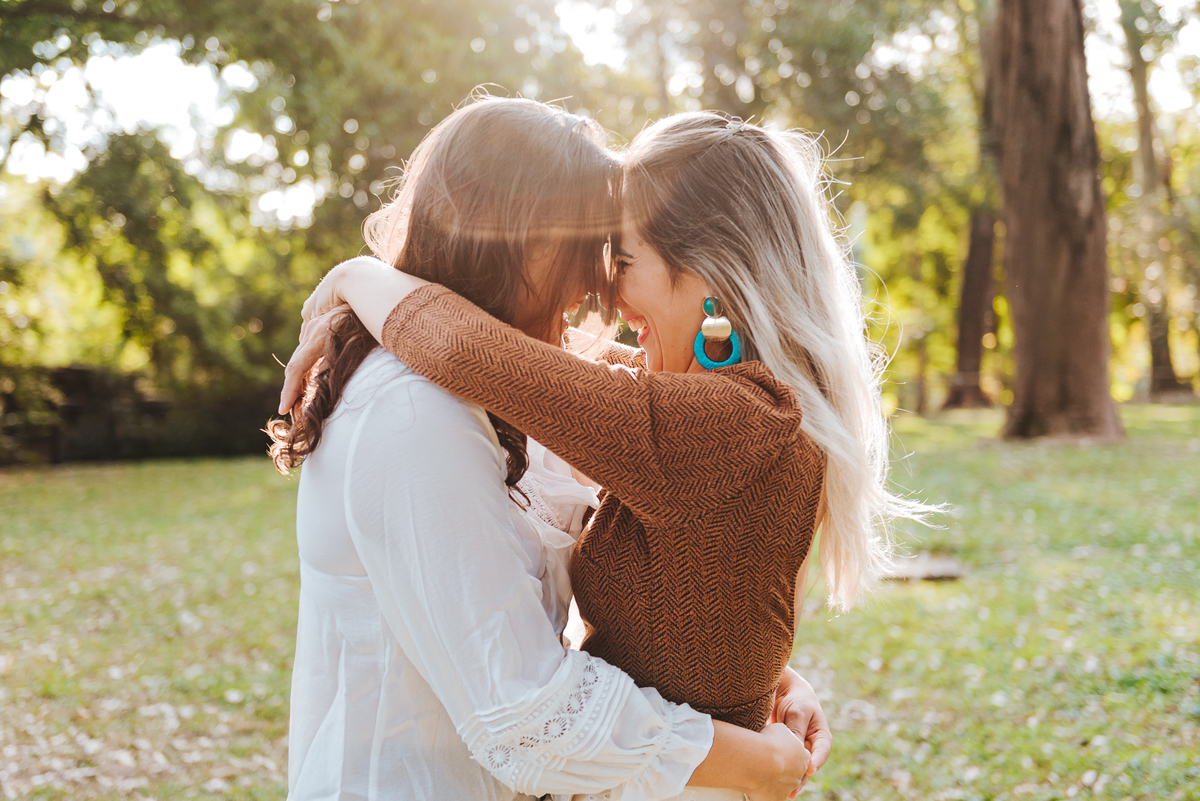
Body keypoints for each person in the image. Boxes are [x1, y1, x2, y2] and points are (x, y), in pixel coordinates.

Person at [285, 110, 930, 799]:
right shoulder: (737, 408)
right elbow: (529, 362)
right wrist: (749, 689)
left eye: (622, 261)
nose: (604, 296)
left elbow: (473, 351)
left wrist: (358, 278)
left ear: (710, 268)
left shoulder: (728, 422)